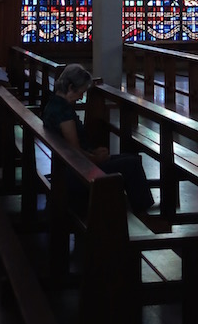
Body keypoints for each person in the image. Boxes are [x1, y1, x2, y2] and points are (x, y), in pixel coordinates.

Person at [42, 63, 169, 232]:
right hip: (75, 175)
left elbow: (73, 147)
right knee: (131, 164)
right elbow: (74, 154)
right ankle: (143, 217)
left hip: (66, 168)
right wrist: (96, 158)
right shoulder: (63, 112)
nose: (81, 97)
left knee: (130, 159)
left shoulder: (54, 104)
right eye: (80, 92)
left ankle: (142, 214)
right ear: (70, 87)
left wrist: (93, 152)